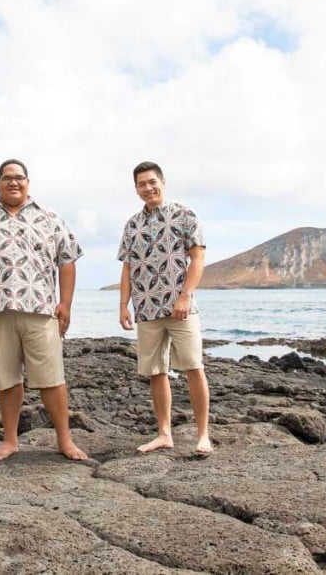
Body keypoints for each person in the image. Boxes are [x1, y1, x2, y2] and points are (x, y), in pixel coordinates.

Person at [0, 159, 88, 462]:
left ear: (28, 182)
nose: (14, 182)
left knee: (52, 378)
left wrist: (66, 303)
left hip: (40, 311)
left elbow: (67, 260)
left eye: (19, 178)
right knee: (7, 379)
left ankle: (64, 440)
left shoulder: (50, 218)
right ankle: (9, 440)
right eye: (7, 178)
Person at [118, 160, 213, 456]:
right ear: (136, 189)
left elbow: (197, 259)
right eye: (141, 184)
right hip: (146, 309)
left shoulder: (185, 215)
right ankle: (164, 434)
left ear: (162, 182)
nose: (147, 188)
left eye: (151, 182)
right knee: (156, 372)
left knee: (194, 367)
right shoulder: (132, 224)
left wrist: (185, 296)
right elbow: (128, 266)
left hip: (180, 307)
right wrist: (124, 304)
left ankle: (203, 436)